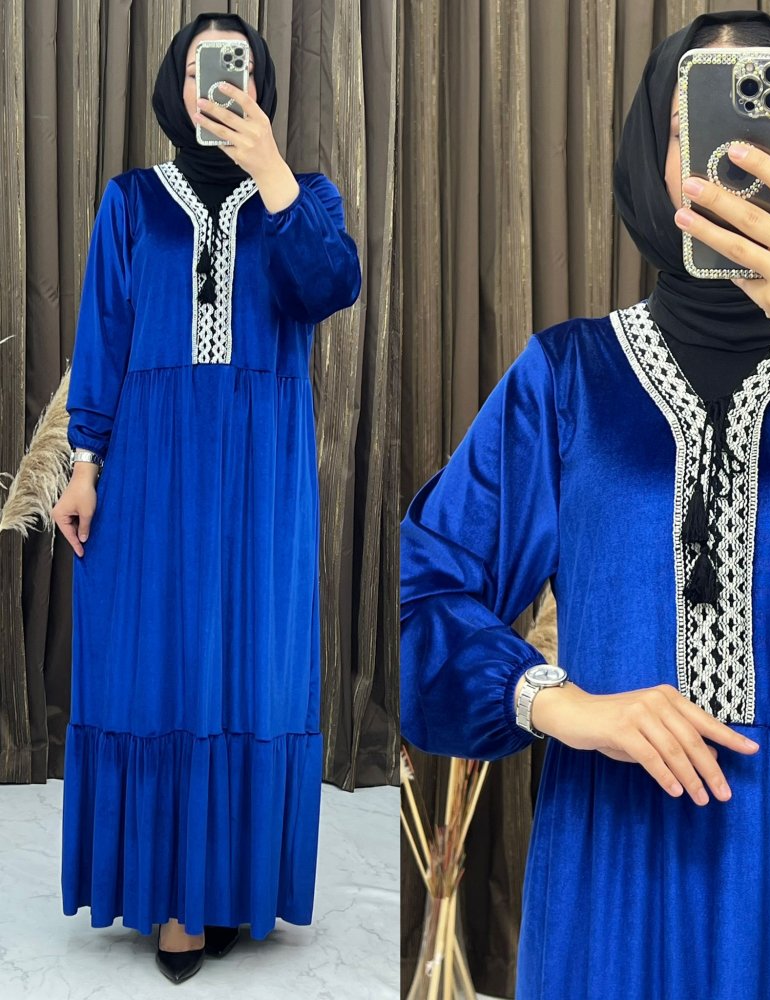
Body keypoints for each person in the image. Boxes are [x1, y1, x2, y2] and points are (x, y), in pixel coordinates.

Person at [400, 10, 770, 999]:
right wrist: (561, 705)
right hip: (617, 867)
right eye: (699, 123)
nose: (738, 153)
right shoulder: (569, 378)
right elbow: (422, 596)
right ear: (656, 154)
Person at [52, 11, 361, 985]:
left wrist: (271, 171)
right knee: (159, 663)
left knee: (249, 665)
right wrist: (83, 464)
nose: (214, 83)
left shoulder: (303, 196)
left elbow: (330, 286)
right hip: (151, 463)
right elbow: (103, 333)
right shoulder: (131, 201)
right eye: (197, 68)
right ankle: (173, 898)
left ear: (259, 84)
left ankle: (229, 880)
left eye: (232, 67)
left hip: (260, 471)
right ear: (174, 88)